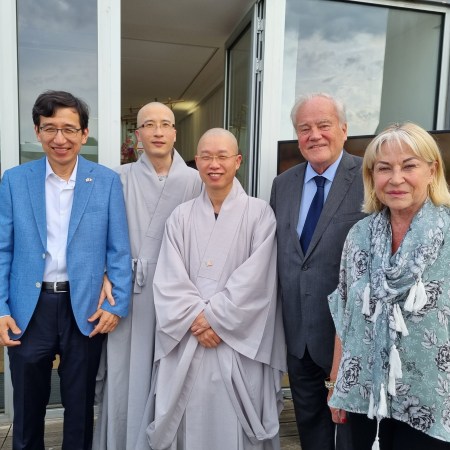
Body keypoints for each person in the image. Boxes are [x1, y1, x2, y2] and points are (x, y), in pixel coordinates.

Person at [0, 90, 132, 450]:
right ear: (37, 131)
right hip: (29, 310)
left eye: (69, 129)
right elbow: (3, 249)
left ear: (84, 134)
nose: (60, 138)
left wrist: (116, 304)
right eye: (50, 128)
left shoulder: (105, 181)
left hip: (85, 307)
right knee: (27, 409)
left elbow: (119, 249)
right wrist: (1, 308)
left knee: (79, 408)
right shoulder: (15, 180)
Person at [144, 128, 286, 450]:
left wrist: (213, 319)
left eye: (222, 156)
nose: (214, 164)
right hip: (190, 336)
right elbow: (168, 278)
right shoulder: (180, 216)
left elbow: (257, 280)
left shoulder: (259, 213)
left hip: (237, 340)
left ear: (238, 161)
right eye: (206, 157)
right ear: (196, 161)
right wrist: (197, 318)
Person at [328, 122, 450, 449]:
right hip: (365, 395)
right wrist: (337, 382)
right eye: (384, 168)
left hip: (434, 402)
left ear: (431, 171)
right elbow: (344, 313)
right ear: (372, 176)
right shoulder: (359, 236)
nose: (396, 179)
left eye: (409, 166)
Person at [93, 102, 202, 449]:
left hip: (180, 291)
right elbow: (98, 233)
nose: (158, 132)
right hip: (129, 288)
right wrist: (104, 275)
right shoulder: (118, 177)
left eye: (165, 124)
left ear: (175, 133)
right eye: (149, 125)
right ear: (137, 135)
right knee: (127, 373)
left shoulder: (197, 180)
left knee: (174, 370)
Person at [270, 93, 365, 450]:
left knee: (352, 436)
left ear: (343, 129)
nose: (314, 135)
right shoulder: (283, 184)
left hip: (350, 338)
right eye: (304, 128)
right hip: (299, 336)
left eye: (324, 125)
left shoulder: (370, 176)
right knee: (310, 429)